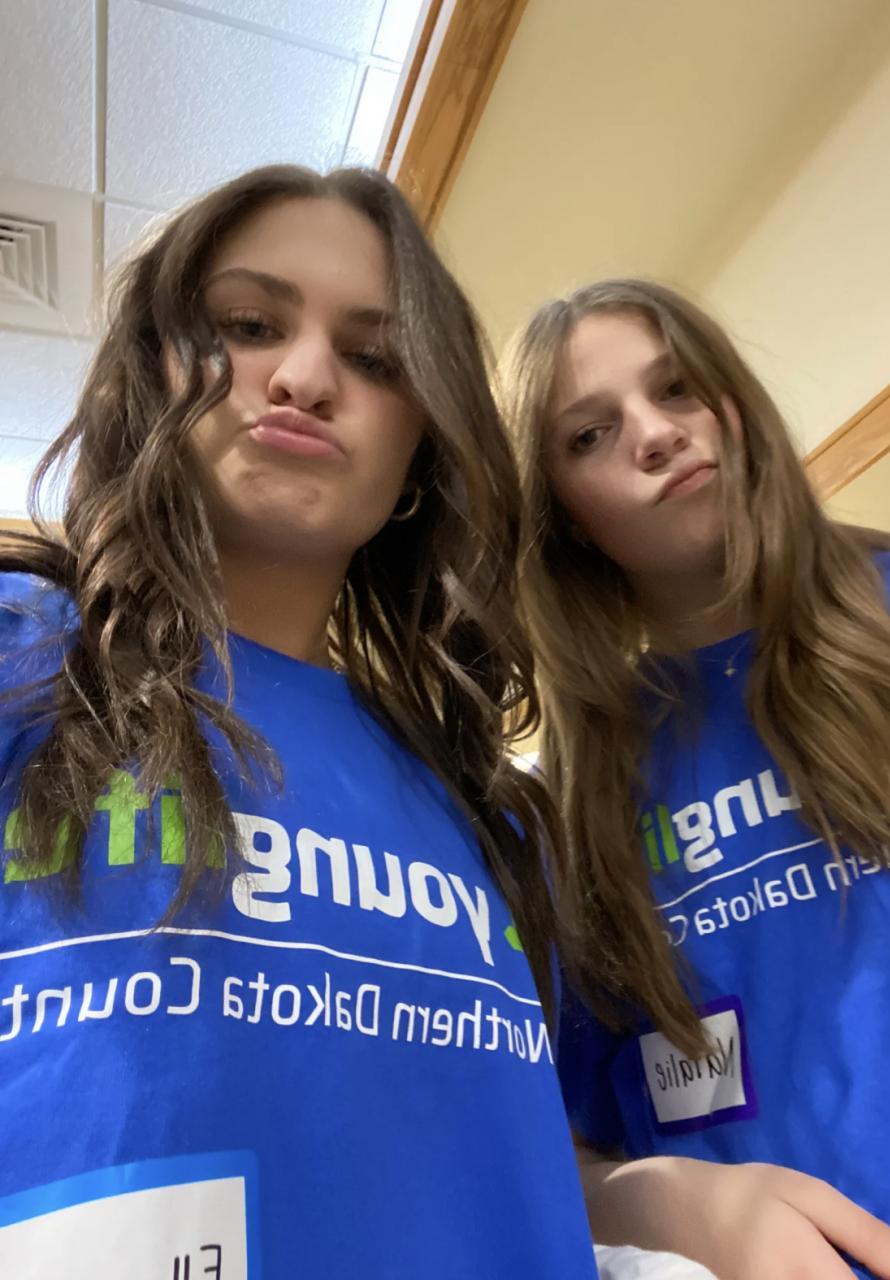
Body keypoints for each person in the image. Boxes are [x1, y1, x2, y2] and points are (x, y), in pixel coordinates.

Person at [0, 165, 599, 1279]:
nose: (307, 377)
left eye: (376, 359)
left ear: (420, 452)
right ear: (156, 371)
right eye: (247, 326)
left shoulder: (492, 816)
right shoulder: (18, 660)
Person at [498, 277, 890, 1280]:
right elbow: (544, 1149)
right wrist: (650, 1200)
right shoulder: (559, 814)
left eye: (677, 388)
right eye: (590, 435)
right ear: (560, 514)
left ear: (734, 403)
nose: (655, 434)